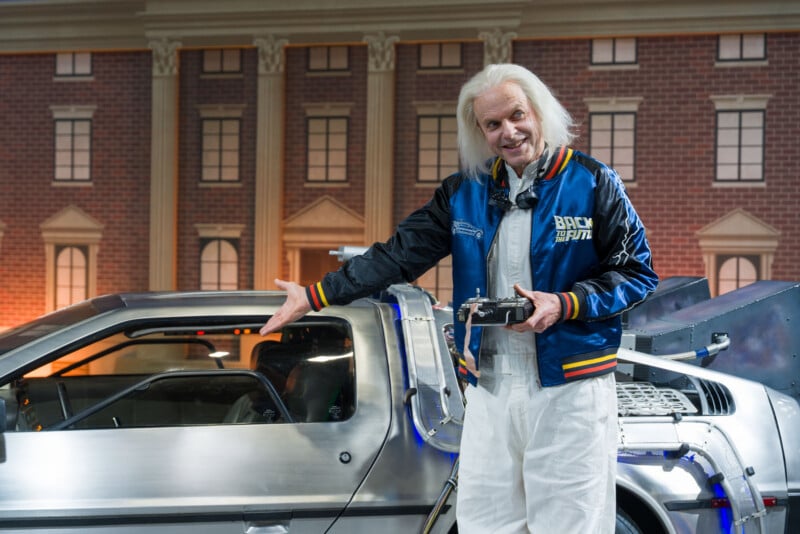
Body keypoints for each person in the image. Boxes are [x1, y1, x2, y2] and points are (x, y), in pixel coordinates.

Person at [260, 63, 658, 533]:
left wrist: (563, 303)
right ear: (480, 131)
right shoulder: (464, 192)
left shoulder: (592, 182)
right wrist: (315, 293)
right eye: (493, 124)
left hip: (571, 389)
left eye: (516, 116)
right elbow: (397, 255)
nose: (508, 132)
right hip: (489, 387)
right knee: (484, 525)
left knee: (569, 526)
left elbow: (637, 273)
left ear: (539, 113)